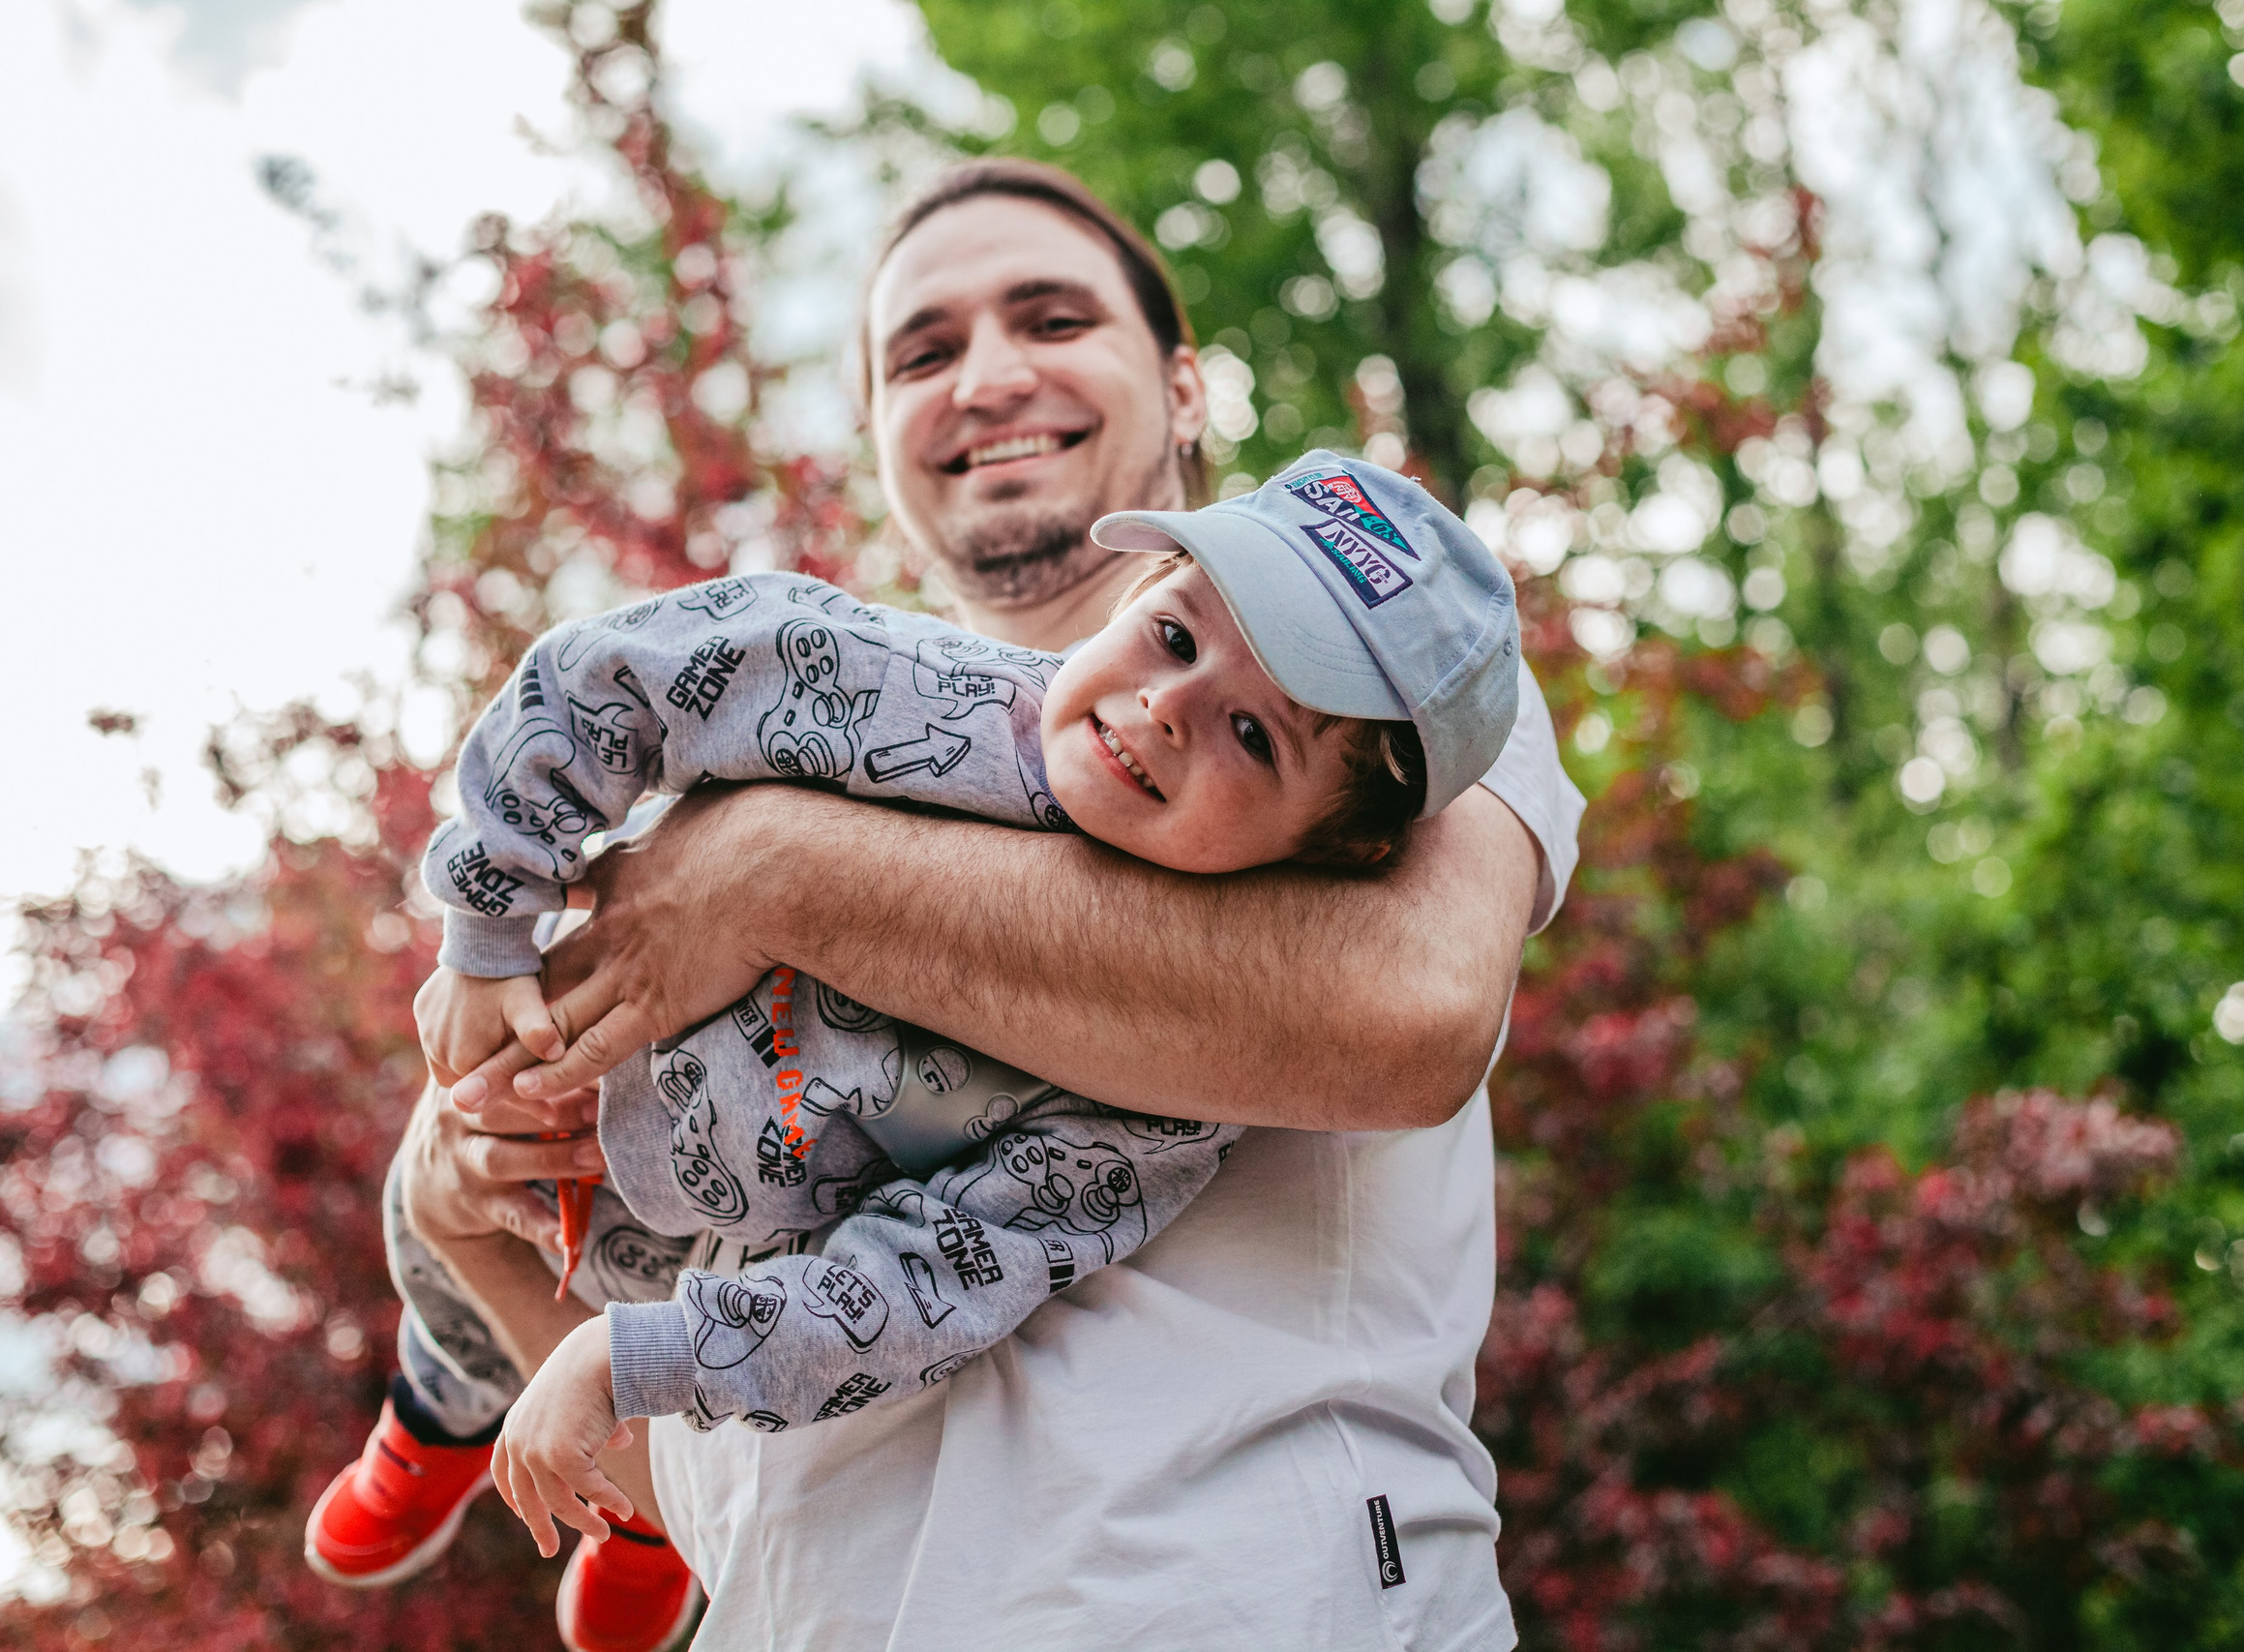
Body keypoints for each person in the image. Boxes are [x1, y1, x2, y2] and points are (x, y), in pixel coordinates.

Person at [387, 159, 1581, 1652]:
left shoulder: (1384, 675)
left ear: (1187, 386)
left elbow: (1401, 1023)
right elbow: (673, 1436)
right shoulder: (791, 711)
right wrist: (482, 1214)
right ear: (883, 431)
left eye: (1053, 316)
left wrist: (782, 874)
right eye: (925, 352)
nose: (990, 376)